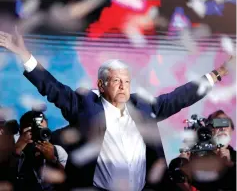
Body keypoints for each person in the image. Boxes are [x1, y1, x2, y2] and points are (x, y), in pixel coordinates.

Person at [0, 28, 233, 191]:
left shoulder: (144, 107)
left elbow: (181, 96)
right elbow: (52, 87)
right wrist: (24, 55)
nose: (123, 86)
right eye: (116, 81)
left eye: (127, 81)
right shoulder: (84, 107)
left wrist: (220, 71)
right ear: (101, 85)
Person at [169, 110, 236, 191]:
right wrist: (180, 169)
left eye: (225, 123)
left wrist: (230, 165)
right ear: (209, 130)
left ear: (232, 130)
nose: (222, 128)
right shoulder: (190, 158)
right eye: (217, 123)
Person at [14, 111, 68, 191]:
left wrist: (53, 159)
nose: (38, 133)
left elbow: (67, 180)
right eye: (33, 130)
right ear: (21, 132)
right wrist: (17, 148)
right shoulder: (13, 148)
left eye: (42, 130)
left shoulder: (57, 151)